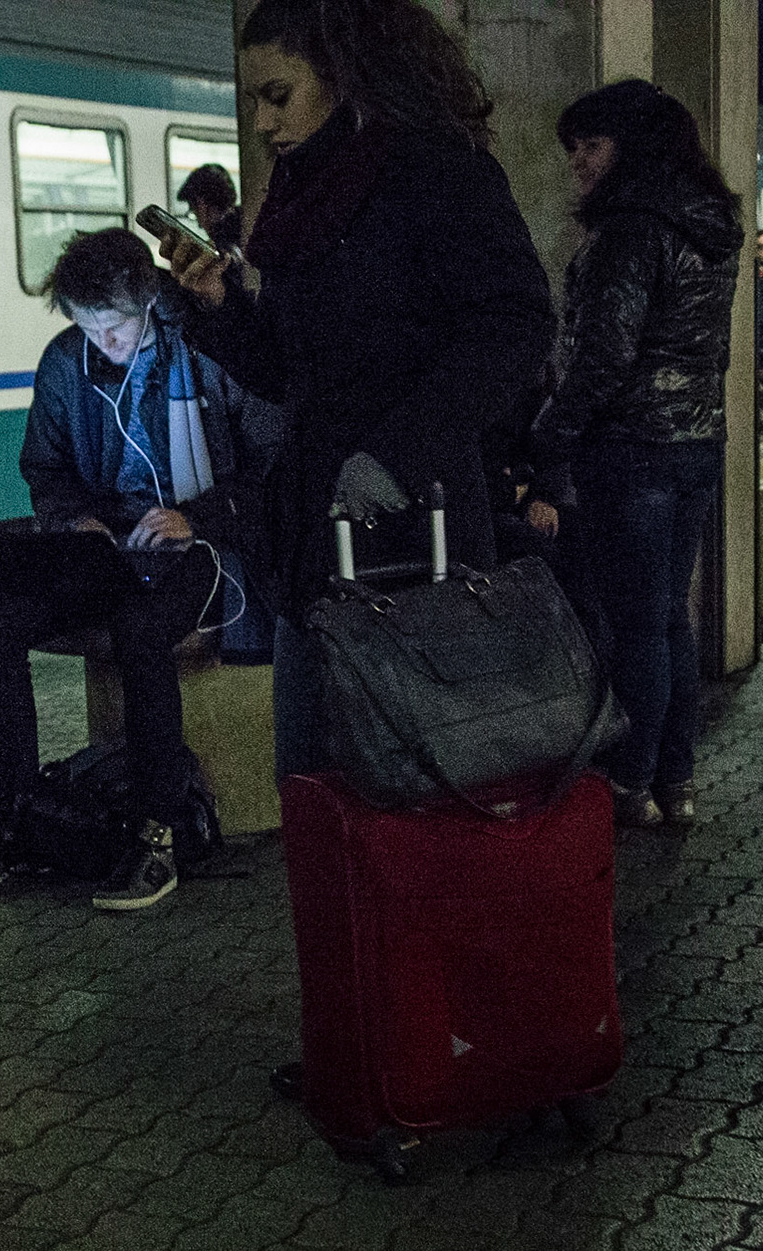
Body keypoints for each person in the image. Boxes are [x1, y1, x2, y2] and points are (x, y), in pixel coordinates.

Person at [160, 0, 556, 785]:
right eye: (255, 102)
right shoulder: (305, 193)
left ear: (343, 76)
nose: (265, 124)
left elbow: (516, 323)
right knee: (311, 783)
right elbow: (289, 371)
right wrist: (219, 307)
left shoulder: (437, 169)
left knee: (414, 787)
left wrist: (393, 456)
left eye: (279, 95)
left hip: (418, 534)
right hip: (314, 540)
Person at [0, 229, 277, 910]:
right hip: (106, 543)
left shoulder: (201, 351)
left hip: (203, 544)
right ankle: (12, 812)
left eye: (113, 327)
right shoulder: (65, 363)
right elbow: (45, 468)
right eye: (86, 328)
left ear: (149, 305)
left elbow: (271, 464)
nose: (100, 343)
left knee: (142, 630)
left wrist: (200, 518)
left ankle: (157, 831)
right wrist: (74, 521)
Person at [532, 80, 744, 830]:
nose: (578, 163)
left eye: (591, 145)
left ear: (633, 145)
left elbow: (605, 353)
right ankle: (676, 780)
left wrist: (550, 434)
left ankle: (629, 783)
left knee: (637, 626)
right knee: (671, 620)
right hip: (695, 443)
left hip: (633, 449)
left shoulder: (630, 226)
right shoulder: (708, 222)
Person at [175, 163, 243, 257]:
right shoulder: (248, 222)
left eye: (194, 212)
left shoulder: (220, 248)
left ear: (201, 205)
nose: (200, 225)